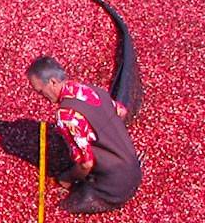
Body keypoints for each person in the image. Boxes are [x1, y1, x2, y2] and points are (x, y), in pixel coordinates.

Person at [26, 56, 140, 213]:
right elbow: (121, 111)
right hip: (134, 167)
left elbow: (85, 164)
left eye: (40, 91)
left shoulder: (67, 115)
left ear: (53, 82)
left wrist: (66, 179)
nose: (40, 96)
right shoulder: (91, 90)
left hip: (114, 187)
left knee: (64, 209)